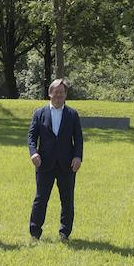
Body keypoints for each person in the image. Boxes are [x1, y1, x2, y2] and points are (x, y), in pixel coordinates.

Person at [27, 78, 83, 241]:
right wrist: (33, 153)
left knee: (67, 199)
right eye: (56, 92)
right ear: (50, 93)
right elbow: (31, 136)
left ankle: (64, 233)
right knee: (41, 198)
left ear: (65, 95)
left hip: (67, 164)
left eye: (62, 93)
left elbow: (78, 138)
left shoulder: (72, 114)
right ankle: (35, 233)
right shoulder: (39, 113)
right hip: (44, 163)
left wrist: (78, 156)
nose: (58, 95)